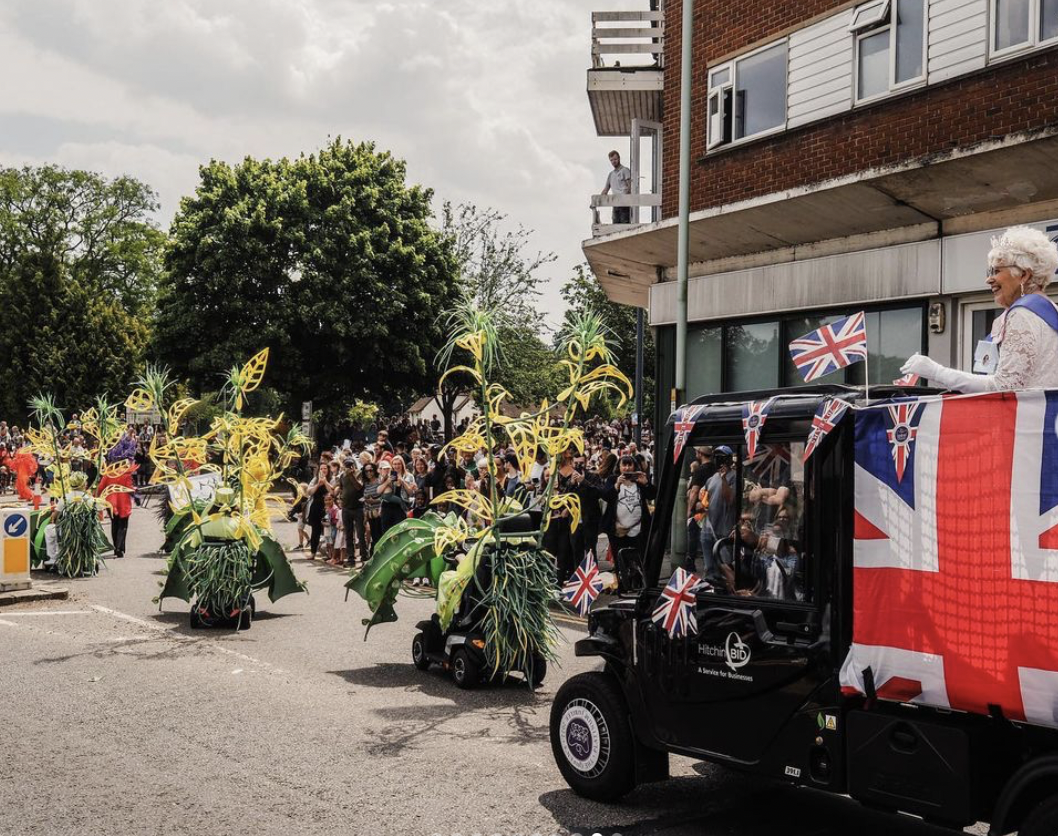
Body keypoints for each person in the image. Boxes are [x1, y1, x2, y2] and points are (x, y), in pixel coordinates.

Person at [902, 226, 1058, 391]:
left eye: (996, 271)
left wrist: (936, 372)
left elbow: (1002, 389)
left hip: (1024, 417)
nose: (989, 279)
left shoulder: (1022, 314)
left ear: (1024, 275)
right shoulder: (1051, 311)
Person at [602, 455, 655, 591]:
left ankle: (638, 585)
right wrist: (616, 485)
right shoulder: (613, 479)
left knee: (639, 558)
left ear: (634, 466)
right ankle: (623, 586)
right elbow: (606, 496)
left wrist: (646, 483)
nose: (626, 468)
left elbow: (653, 495)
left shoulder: (638, 480)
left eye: (629, 465)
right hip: (618, 529)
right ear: (619, 467)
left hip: (638, 529)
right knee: (620, 559)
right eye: (623, 465)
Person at [97, 459, 136, 558]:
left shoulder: (108, 473)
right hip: (123, 502)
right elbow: (129, 488)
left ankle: (116, 547)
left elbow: (101, 487)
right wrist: (135, 490)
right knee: (123, 526)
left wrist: (99, 498)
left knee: (114, 524)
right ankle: (120, 548)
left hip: (110, 502)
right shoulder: (126, 474)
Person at [600, 150, 632, 224]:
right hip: (615, 204)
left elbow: (630, 186)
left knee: (624, 225)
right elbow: (605, 190)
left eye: (615, 159)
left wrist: (627, 196)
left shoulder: (625, 170)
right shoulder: (611, 175)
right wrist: (598, 199)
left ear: (619, 158)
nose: (613, 161)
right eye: (611, 160)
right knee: (615, 225)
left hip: (624, 203)